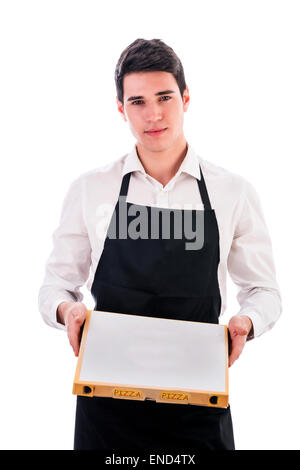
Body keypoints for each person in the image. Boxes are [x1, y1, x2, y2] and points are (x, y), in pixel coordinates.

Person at [38, 38, 282, 451]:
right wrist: (68, 311)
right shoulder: (90, 190)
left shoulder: (233, 192)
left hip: (198, 406)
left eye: (164, 97)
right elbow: (54, 287)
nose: (153, 114)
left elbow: (264, 292)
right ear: (121, 109)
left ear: (186, 98)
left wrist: (247, 322)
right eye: (137, 102)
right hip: (108, 409)